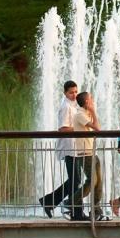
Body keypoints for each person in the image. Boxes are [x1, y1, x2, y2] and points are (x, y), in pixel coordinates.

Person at [39, 80, 84, 219]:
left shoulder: (74, 105)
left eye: (76, 92)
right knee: (75, 180)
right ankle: (75, 211)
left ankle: (51, 202)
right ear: (65, 93)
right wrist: (80, 128)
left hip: (74, 147)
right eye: (71, 92)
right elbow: (63, 128)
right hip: (69, 147)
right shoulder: (66, 107)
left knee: (75, 180)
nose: (74, 94)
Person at [68, 91, 109, 221]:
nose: (92, 101)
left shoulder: (85, 114)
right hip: (85, 153)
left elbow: (96, 127)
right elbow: (97, 128)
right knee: (92, 181)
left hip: (91, 152)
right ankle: (72, 201)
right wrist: (94, 111)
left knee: (98, 183)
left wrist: (91, 111)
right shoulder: (79, 114)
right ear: (86, 102)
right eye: (91, 99)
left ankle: (96, 211)